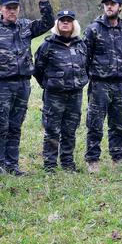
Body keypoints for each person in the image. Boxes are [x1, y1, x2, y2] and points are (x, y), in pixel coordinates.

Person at [0, 0, 54, 175]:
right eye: (8, 7)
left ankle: (12, 164)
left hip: (22, 84)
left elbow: (48, 22)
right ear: (1, 9)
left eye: (15, 7)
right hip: (0, 85)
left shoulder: (25, 27)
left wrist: (43, 0)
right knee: (0, 126)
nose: (12, 11)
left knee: (15, 126)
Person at [83, 0, 122, 173]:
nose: (109, 6)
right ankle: (92, 158)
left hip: (119, 84)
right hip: (99, 84)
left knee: (119, 122)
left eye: (113, 4)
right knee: (95, 123)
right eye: (106, 4)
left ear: (120, 7)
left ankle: (117, 155)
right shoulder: (93, 29)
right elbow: (85, 57)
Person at [34, 10, 88, 172]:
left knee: (70, 130)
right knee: (52, 130)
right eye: (62, 20)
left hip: (75, 95)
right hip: (54, 96)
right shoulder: (47, 45)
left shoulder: (81, 45)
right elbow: (38, 69)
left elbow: (87, 64)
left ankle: (67, 163)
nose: (65, 23)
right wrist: (49, 84)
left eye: (69, 20)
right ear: (57, 24)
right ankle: (50, 165)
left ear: (74, 24)